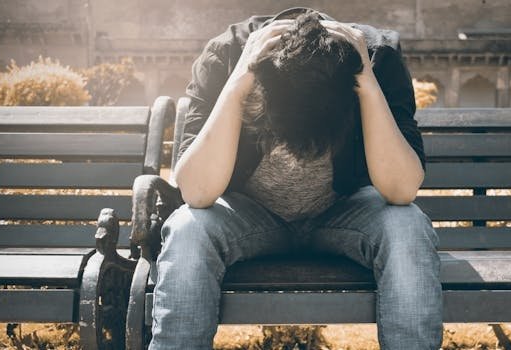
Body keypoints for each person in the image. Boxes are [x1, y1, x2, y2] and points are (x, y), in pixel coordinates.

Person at [150, 7, 442, 350]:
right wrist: (239, 83)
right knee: (188, 228)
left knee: (407, 225)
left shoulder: (376, 58)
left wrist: (366, 85)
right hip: (249, 215)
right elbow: (197, 193)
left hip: (344, 210)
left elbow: (401, 189)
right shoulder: (227, 55)